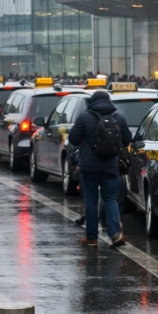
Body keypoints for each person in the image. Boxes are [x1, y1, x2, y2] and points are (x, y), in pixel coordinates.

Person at [68, 90, 130, 247]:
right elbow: (127, 140)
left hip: (88, 166)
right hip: (110, 165)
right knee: (110, 198)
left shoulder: (84, 117)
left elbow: (73, 139)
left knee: (91, 200)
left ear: (92, 102)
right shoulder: (118, 118)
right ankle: (115, 233)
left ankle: (92, 238)